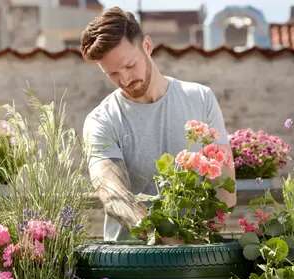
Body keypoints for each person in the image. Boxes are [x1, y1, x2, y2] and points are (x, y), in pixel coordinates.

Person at [80, 7, 236, 242]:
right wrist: (163, 240)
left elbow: (225, 188)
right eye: (112, 73)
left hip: (195, 258)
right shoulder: (101, 120)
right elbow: (113, 194)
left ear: (147, 46)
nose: (124, 79)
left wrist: (198, 241)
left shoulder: (201, 98)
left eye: (130, 65)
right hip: (130, 262)